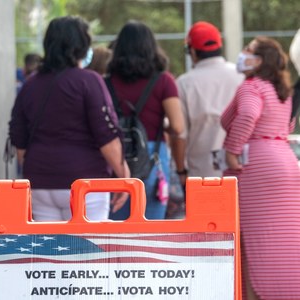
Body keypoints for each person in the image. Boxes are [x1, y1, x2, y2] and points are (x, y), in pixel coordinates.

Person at [9, 16, 130, 222]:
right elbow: (107, 137)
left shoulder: (30, 85)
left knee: (49, 252)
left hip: (40, 185)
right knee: (88, 251)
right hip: (85, 185)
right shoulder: (89, 81)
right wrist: (124, 178)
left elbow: (20, 142)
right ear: (81, 46)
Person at [221, 36, 300, 300]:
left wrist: (232, 150)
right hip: (285, 160)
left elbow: (247, 115)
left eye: (248, 50)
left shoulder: (251, 87)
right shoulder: (281, 90)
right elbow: (287, 126)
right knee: (286, 240)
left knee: (254, 239)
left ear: (260, 59)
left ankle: (258, 293)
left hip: (256, 167)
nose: (242, 53)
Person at [105, 20, 184, 220]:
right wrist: (159, 124)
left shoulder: (105, 83)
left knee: (114, 231)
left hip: (115, 156)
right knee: (151, 228)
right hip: (153, 157)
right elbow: (177, 126)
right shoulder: (164, 81)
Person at [171, 21, 243, 186]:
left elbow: (180, 134)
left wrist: (181, 171)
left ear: (192, 51)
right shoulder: (241, 76)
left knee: (205, 213)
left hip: (201, 174)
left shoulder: (184, 83)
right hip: (240, 168)